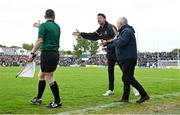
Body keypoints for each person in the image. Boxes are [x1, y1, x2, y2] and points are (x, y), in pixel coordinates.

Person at [72, 13, 118, 96]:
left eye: (100, 18)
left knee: (125, 71)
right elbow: (93, 36)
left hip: (118, 51)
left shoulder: (111, 27)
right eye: (97, 18)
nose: (98, 20)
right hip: (110, 52)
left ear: (104, 18)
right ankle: (111, 90)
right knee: (110, 71)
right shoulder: (100, 29)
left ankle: (135, 87)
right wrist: (81, 34)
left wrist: (107, 42)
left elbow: (118, 37)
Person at [106, 17, 150, 103]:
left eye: (117, 24)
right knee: (126, 78)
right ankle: (125, 98)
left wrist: (110, 45)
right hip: (126, 58)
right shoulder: (124, 32)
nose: (117, 25)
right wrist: (108, 46)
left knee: (128, 77)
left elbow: (121, 43)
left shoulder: (126, 31)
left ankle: (144, 95)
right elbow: (118, 42)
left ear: (121, 23)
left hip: (128, 58)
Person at [28, 9, 62, 108]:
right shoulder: (57, 26)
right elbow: (50, 32)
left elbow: (40, 40)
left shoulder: (44, 26)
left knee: (49, 77)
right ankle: (38, 98)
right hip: (55, 53)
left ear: (44, 16)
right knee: (41, 75)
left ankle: (58, 101)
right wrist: (40, 26)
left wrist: (32, 53)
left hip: (47, 53)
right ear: (54, 17)